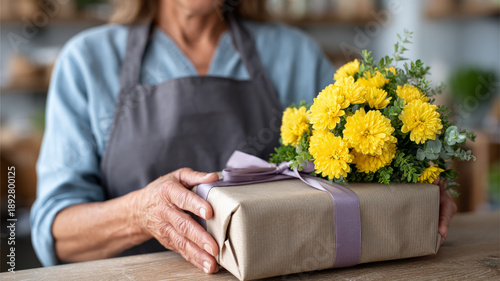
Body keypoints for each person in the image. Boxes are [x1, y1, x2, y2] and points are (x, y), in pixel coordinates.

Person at [31, 0, 457, 274]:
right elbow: (55, 232)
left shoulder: (292, 53)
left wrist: (407, 185)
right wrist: (141, 213)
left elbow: (348, 175)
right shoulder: (87, 61)